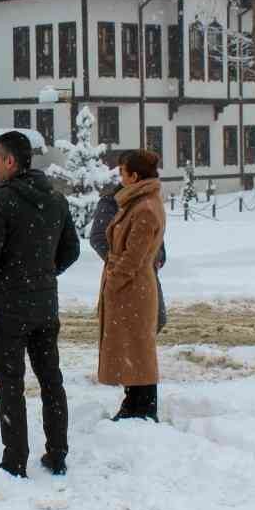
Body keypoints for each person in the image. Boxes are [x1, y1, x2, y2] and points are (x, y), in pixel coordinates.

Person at [0, 131, 81, 478]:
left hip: (8, 308)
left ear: (10, 161)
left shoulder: (1, 201)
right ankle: (57, 453)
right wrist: (44, 275)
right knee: (51, 380)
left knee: (10, 383)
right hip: (45, 306)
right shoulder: (55, 199)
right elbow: (72, 250)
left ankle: (15, 459)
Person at [96, 150, 166, 422]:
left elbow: (133, 257)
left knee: (138, 347)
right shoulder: (138, 202)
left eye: (122, 172)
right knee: (132, 347)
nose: (119, 177)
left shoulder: (145, 208)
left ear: (134, 176)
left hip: (133, 288)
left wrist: (113, 282)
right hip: (130, 287)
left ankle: (143, 407)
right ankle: (134, 403)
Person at [89, 184, 166, 334]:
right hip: (121, 277)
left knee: (155, 321)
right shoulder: (110, 203)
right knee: (121, 331)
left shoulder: (146, 202)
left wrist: (159, 256)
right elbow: (98, 238)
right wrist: (122, 262)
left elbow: (157, 237)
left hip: (147, 274)